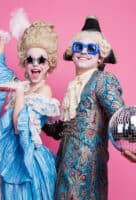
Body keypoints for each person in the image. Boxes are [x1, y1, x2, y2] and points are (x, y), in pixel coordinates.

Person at [43, 16, 124, 200]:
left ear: (100, 56)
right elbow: (61, 131)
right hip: (63, 171)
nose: (84, 52)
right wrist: (36, 114)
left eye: (91, 48)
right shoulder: (73, 88)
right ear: (72, 52)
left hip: (88, 175)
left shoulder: (103, 80)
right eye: (79, 47)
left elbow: (119, 116)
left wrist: (131, 145)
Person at [0, 21, 60, 200]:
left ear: (48, 65)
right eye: (30, 59)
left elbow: (19, 127)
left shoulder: (44, 91)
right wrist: (2, 40)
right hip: (10, 155)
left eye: (41, 60)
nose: (35, 64)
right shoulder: (21, 86)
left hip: (29, 160)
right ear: (25, 63)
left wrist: (18, 91)